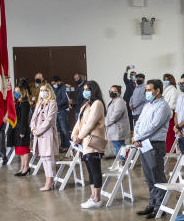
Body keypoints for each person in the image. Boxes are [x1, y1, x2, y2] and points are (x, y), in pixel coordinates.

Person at [134, 79, 172, 218]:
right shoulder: (148, 105)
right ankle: (152, 204)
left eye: (149, 90)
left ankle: (160, 207)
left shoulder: (163, 107)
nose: (147, 92)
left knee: (157, 176)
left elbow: (153, 127)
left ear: (158, 91)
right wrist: (136, 136)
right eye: (146, 90)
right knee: (149, 177)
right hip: (144, 144)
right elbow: (139, 122)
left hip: (155, 144)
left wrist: (138, 137)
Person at [72, 81, 107, 209]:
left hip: (93, 141)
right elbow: (79, 123)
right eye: (84, 89)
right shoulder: (86, 104)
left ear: (94, 90)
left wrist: (79, 137)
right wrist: (74, 135)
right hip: (84, 142)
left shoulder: (97, 104)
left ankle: (97, 198)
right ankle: (93, 196)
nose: (85, 91)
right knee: (90, 172)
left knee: (95, 170)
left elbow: (90, 123)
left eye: (88, 89)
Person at [31, 83, 60, 191]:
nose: (42, 92)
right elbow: (33, 118)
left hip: (47, 133)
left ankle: (50, 180)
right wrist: (33, 129)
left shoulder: (53, 103)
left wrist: (38, 131)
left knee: (49, 158)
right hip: (38, 134)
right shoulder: (39, 103)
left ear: (49, 91)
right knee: (43, 157)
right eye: (41, 90)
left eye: (45, 90)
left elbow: (49, 120)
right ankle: (48, 179)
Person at [7, 81, 33, 176]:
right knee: (20, 150)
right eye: (14, 92)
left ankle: (26, 168)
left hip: (23, 129)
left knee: (24, 150)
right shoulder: (18, 102)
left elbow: (24, 118)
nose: (15, 93)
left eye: (17, 91)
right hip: (17, 129)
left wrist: (22, 131)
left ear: (22, 92)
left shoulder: (25, 103)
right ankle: (22, 167)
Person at [105, 84, 130, 163]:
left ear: (119, 93)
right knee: (117, 146)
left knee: (119, 146)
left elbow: (116, 115)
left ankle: (122, 162)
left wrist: (106, 123)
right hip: (113, 128)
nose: (112, 92)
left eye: (115, 91)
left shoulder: (119, 101)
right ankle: (120, 161)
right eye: (111, 91)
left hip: (118, 128)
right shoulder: (112, 101)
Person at [50, 76, 71, 150]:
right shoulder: (55, 88)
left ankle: (69, 146)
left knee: (65, 129)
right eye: (52, 84)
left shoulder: (64, 87)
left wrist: (55, 104)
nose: (53, 85)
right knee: (61, 130)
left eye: (54, 83)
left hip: (63, 111)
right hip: (57, 111)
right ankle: (63, 145)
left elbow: (65, 99)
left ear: (59, 82)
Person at [162, 73, 179, 151]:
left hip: (171, 114)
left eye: (167, 80)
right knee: (167, 134)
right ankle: (168, 149)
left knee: (171, 134)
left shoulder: (173, 90)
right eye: (164, 80)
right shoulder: (165, 89)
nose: (165, 81)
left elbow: (173, 104)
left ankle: (172, 150)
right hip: (165, 113)